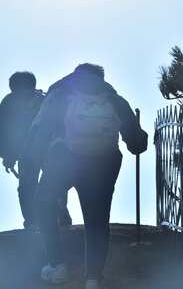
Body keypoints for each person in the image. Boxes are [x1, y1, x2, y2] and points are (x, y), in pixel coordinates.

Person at [19, 64, 148, 289]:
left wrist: (33, 162)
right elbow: (137, 143)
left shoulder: (60, 93)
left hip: (64, 157)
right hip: (104, 160)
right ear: (100, 78)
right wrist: (140, 139)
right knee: (97, 218)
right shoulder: (114, 99)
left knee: (43, 201)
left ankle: (57, 265)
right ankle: (94, 279)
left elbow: (40, 127)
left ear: (76, 74)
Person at [0, 71, 72, 231]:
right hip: (51, 148)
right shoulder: (46, 98)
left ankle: (32, 221)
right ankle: (59, 211)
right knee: (54, 181)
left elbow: (4, 130)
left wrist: (7, 155)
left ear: (12, 86)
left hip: (25, 151)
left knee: (27, 186)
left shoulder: (9, 101)